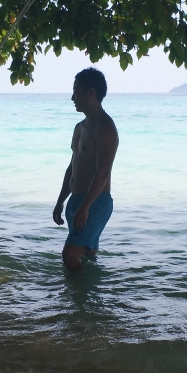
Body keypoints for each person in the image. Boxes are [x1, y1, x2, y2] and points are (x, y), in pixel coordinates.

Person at [52, 68, 119, 269]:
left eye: (76, 91)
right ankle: (89, 297)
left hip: (95, 201)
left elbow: (103, 171)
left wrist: (85, 207)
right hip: (77, 200)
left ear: (90, 93)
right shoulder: (80, 127)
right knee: (87, 255)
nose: (72, 97)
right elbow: (72, 167)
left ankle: (77, 299)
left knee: (70, 255)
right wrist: (60, 202)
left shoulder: (105, 126)